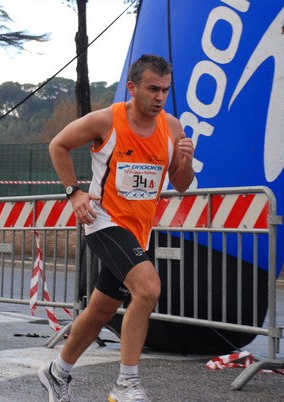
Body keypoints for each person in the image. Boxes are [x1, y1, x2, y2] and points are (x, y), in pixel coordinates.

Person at [39, 54, 194, 402]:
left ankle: (57, 372)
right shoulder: (108, 120)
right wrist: (74, 192)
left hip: (140, 231)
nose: (159, 97)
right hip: (105, 222)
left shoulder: (171, 127)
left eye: (165, 90)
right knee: (149, 288)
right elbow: (58, 145)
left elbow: (182, 184)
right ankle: (126, 384)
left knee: (101, 310)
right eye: (153, 89)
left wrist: (185, 159)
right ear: (133, 87)